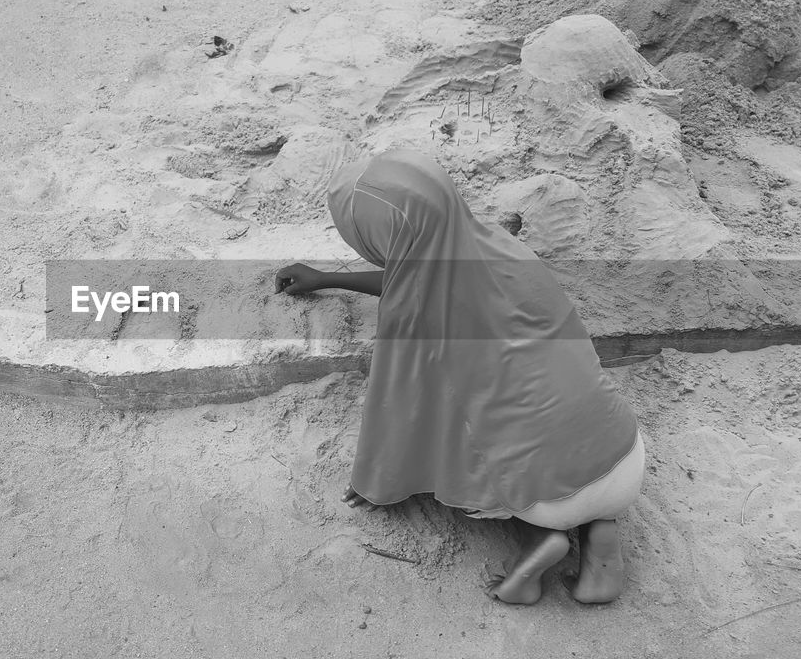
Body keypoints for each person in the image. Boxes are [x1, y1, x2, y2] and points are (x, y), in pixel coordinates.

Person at [274, 149, 644, 605]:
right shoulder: (501, 247)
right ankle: (600, 535)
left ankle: (535, 542)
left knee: (468, 426)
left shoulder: (417, 314)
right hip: (623, 454)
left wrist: (375, 480)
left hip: (548, 496)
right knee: (543, 413)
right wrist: (328, 278)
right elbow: (415, 273)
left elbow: (400, 406)